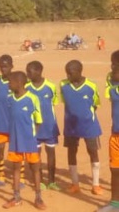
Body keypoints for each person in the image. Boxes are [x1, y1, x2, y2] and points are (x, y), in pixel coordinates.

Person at [2, 71, 46, 210]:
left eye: (11, 82)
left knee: (35, 168)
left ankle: (38, 197)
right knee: (15, 168)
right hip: (15, 140)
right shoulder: (10, 99)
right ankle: (16, 197)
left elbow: (38, 121)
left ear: (19, 83)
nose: (8, 84)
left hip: (29, 141)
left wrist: (31, 136)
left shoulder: (32, 98)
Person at [60, 60, 102, 195]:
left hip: (89, 126)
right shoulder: (63, 85)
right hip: (71, 126)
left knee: (93, 151)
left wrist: (85, 115)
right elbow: (66, 102)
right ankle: (75, 183)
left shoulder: (91, 85)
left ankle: (95, 184)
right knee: (71, 152)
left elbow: (96, 103)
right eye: (67, 73)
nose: (68, 76)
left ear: (79, 72)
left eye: (71, 73)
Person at [26, 61, 60, 191]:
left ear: (39, 71)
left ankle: (52, 181)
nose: (27, 74)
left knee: (51, 154)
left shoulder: (50, 86)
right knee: (36, 155)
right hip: (34, 128)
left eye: (30, 71)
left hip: (50, 126)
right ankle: (39, 180)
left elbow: (54, 102)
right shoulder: (27, 87)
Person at [0, 54, 15, 188]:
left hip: (14, 123)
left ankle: (20, 177)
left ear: (12, 66)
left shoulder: (17, 81)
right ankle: (0, 176)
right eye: (1, 66)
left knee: (16, 150)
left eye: (6, 66)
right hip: (0, 121)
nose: (3, 69)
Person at [100, 50, 119, 212]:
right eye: (112, 63)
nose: (112, 67)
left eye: (116, 64)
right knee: (115, 169)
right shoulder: (110, 80)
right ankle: (115, 203)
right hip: (116, 134)